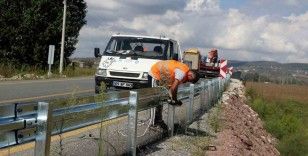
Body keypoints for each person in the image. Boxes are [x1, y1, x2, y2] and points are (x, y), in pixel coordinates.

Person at [149, 60, 200, 129]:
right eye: (189, 80)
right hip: (155, 74)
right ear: (190, 75)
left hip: (162, 77)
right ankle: (153, 124)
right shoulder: (182, 73)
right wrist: (175, 99)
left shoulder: (184, 70)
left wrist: (174, 99)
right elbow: (173, 88)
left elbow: (173, 88)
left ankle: (158, 121)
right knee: (156, 100)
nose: (187, 81)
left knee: (161, 100)